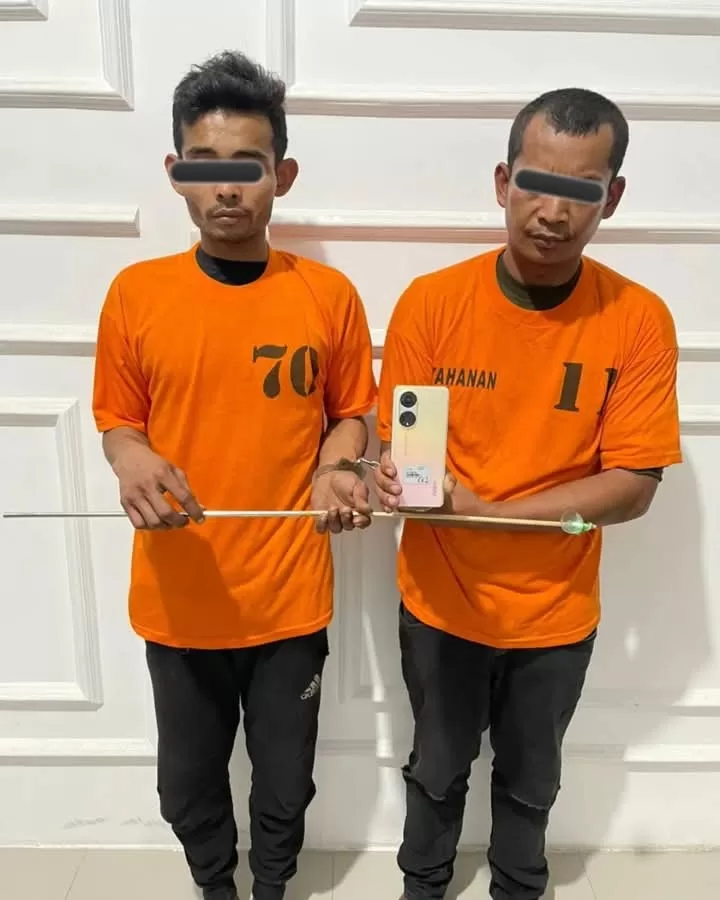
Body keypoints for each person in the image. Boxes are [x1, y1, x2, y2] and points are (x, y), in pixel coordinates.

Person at [374, 87, 682, 900]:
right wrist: (391, 475)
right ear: (503, 181)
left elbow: (634, 485)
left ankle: (519, 887)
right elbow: (408, 455)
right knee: (435, 772)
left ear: (612, 196)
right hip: (441, 604)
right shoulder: (432, 304)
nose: (554, 211)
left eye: (581, 190)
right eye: (537, 184)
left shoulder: (638, 320)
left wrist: (489, 514)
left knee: (530, 784)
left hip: (555, 615)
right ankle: (422, 886)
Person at [92, 51, 376, 900]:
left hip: (289, 596)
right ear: (176, 172)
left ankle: (274, 888)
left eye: (247, 166)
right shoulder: (136, 294)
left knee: (286, 785)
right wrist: (130, 455)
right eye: (204, 165)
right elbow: (118, 422)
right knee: (186, 787)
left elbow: (352, 414)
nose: (226, 188)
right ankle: (215, 886)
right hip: (179, 598)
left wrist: (337, 466)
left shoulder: (328, 296)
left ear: (281, 175)